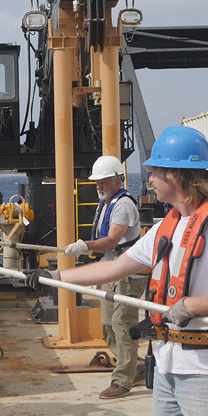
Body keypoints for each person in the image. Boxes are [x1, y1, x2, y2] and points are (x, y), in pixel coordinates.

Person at [28, 126, 208, 416]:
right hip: (168, 363)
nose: (149, 180)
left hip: (207, 370)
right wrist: (55, 278)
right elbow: (114, 268)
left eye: (154, 172)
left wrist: (192, 305)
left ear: (176, 176)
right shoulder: (168, 225)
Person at [63, 155, 147, 399]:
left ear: (118, 180)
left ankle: (122, 381)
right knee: (108, 326)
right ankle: (137, 367)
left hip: (129, 273)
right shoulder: (107, 202)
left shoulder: (122, 205)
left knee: (123, 325)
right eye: (97, 182)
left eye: (104, 182)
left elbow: (111, 240)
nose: (99, 186)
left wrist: (84, 246)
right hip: (112, 268)